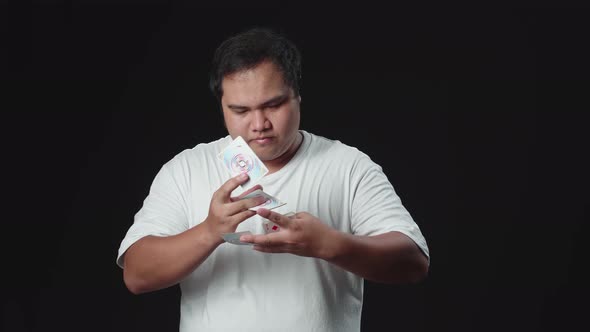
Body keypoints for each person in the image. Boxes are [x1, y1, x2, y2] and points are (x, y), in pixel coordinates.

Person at [117, 27, 430, 332]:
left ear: (297, 97)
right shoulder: (186, 169)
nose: (259, 124)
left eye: (273, 105)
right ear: (222, 106)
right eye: (240, 110)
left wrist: (328, 244)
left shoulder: (348, 166)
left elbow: (413, 262)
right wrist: (209, 231)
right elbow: (137, 274)